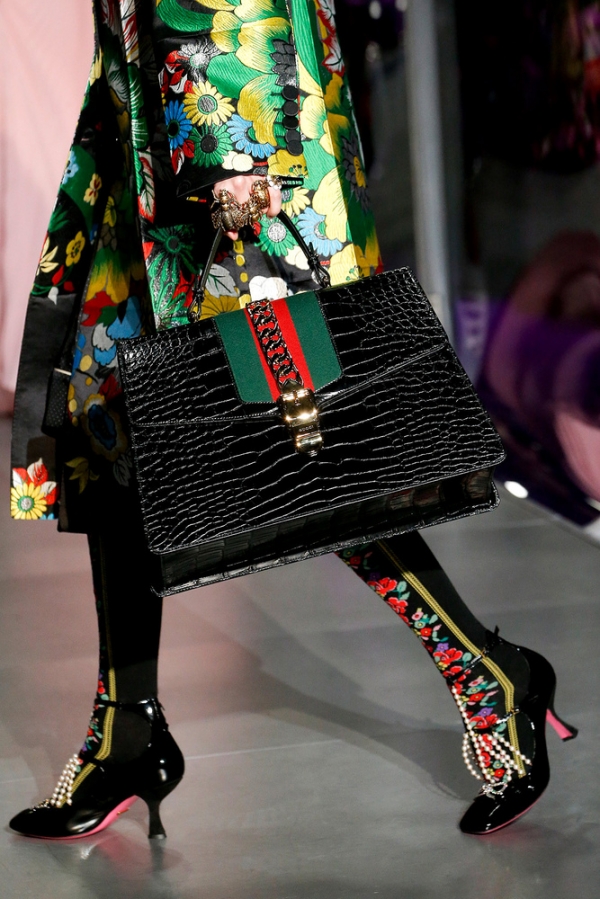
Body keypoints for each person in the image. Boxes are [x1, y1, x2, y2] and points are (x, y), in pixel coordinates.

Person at [9, 0, 575, 842]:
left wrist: (236, 149)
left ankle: (489, 673)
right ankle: (127, 726)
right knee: (113, 420)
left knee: (307, 441)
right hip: (148, 119)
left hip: (235, 112)